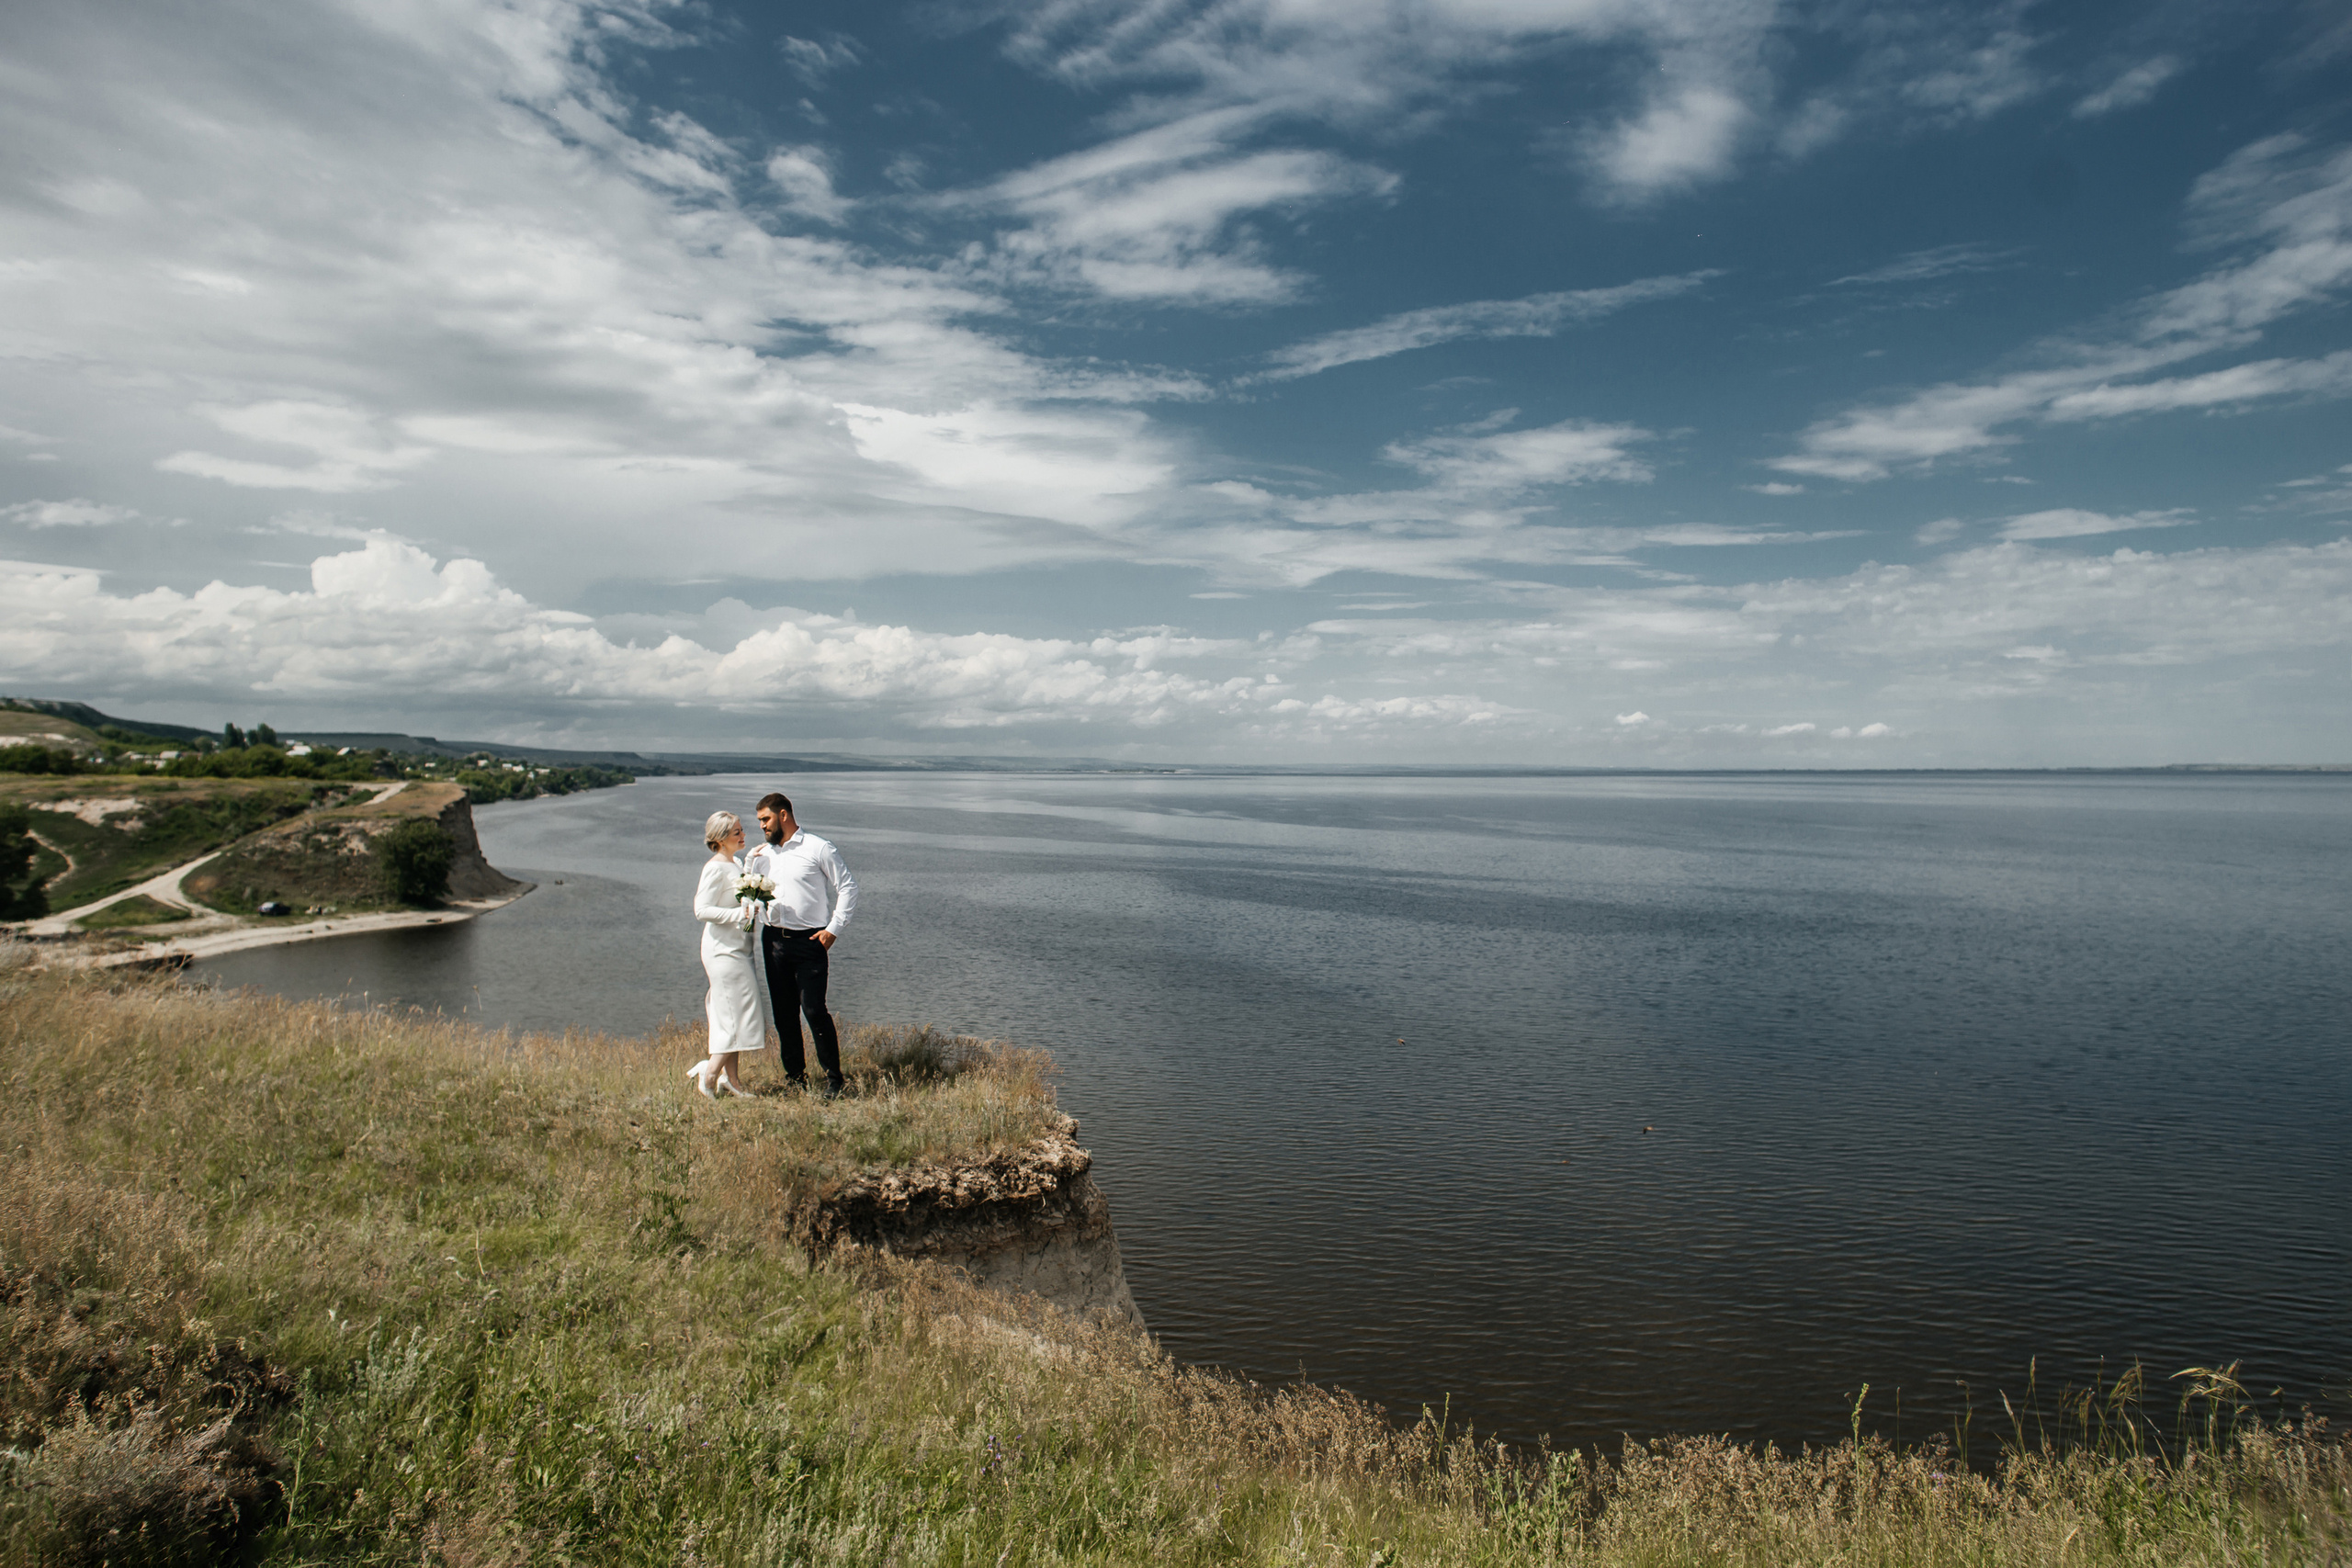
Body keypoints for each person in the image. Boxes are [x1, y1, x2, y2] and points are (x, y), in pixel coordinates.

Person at [745, 792, 858, 1097]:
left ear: (784, 815)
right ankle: (795, 1079)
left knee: (813, 1010)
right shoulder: (761, 855)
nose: (762, 827)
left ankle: (834, 1080)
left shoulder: (818, 847)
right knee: (783, 1014)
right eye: (759, 821)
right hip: (772, 942)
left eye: (765, 820)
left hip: (810, 941)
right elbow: (750, 897)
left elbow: (847, 886)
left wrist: (833, 929)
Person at [689, 810, 763, 1099]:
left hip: (739, 948)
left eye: (742, 830)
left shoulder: (735, 863)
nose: (743, 835)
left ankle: (733, 1082)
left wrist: (754, 860)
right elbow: (701, 910)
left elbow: (745, 884)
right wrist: (739, 914)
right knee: (738, 1014)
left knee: (729, 1014)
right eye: (737, 832)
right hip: (722, 951)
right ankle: (709, 1076)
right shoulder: (715, 867)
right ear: (720, 839)